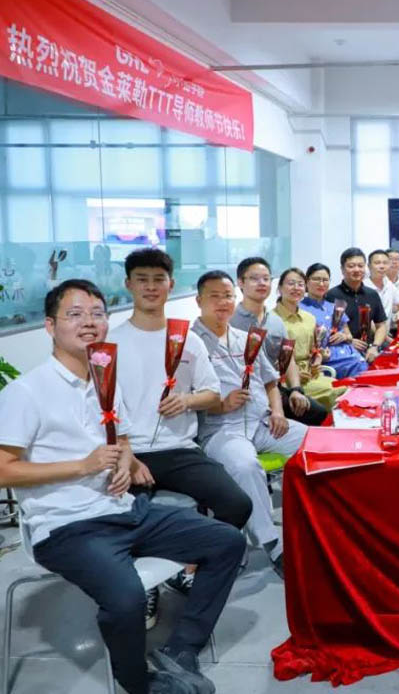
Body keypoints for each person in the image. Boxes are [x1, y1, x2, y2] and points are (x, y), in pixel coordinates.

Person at [0, 279, 244, 694]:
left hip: (123, 510)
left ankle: (181, 650)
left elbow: (121, 441)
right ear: (50, 326)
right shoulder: (24, 392)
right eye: (75, 314)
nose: (89, 322)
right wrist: (82, 466)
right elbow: (0, 473)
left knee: (227, 541)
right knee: (126, 598)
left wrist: (125, 463)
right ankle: (138, 683)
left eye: (97, 314)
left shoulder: (105, 380)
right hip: (65, 527)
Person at [108, 248, 251, 609]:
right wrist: (126, 456)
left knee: (237, 504)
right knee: (127, 519)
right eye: (142, 279)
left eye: (158, 279)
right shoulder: (110, 342)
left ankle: (189, 568)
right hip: (130, 451)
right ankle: (145, 583)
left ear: (170, 285)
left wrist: (186, 400)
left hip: (179, 450)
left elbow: (212, 393)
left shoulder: (185, 338)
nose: (151, 287)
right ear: (128, 284)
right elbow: (101, 407)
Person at [193, 271, 309, 579]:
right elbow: (181, 399)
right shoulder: (190, 345)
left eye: (228, 296)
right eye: (215, 296)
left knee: (316, 444)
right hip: (221, 430)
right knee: (246, 466)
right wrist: (220, 404)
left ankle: (318, 523)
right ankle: (272, 544)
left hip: (262, 423)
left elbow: (270, 381)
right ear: (199, 301)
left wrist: (278, 411)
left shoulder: (246, 337)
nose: (223, 302)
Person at [231, 257, 327, 426]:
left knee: (318, 413)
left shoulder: (275, 321)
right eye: (254, 278)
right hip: (241, 391)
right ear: (240, 282)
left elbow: (288, 358)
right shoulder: (230, 319)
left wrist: (296, 390)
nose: (261, 283)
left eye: (266, 278)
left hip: (273, 388)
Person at [274, 267, 347, 409]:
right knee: (337, 393)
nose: (296, 288)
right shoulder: (272, 319)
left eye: (300, 284)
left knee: (346, 387)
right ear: (280, 288)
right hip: (286, 381)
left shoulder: (309, 318)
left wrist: (318, 358)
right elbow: (270, 361)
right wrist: (294, 375)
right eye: (291, 283)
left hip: (312, 375)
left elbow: (315, 350)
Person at [301, 263, 368, 378]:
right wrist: (318, 354)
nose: (321, 284)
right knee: (359, 366)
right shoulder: (300, 308)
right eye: (316, 279)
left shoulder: (335, 307)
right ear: (307, 281)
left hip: (349, 353)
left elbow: (349, 335)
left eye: (325, 280)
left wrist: (344, 337)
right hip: (327, 358)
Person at [326, 247, 388, 364]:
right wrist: (349, 341)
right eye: (351, 266)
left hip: (370, 349)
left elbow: (381, 325)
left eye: (360, 266)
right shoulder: (332, 295)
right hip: (344, 350)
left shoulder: (372, 294)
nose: (356, 269)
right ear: (342, 269)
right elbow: (329, 330)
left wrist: (375, 347)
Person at [365, 249, 399, 328]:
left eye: (385, 263)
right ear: (369, 266)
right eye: (377, 263)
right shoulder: (364, 287)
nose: (382, 266)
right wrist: (384, 335)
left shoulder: (388, 284)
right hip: (370, 335)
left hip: (386, 332)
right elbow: (367, 322)